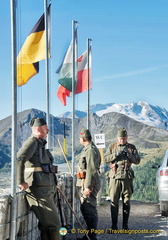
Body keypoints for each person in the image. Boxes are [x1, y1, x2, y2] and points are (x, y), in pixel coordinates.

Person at [17, 117, 61, 240]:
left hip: (46, 187)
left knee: (46, 225)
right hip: (38, 188)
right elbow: (20, 159)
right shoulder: (31, 142)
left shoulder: (39, 143)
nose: (48, 130)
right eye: (45, 128)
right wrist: (21, 181)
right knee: (54, 224)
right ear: (38, 129)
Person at [104, 127, 140, 231]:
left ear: (127, 138)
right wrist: (115, 155)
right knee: (114, 201)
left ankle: (125, 226)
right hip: (114, 177)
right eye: (120, 138)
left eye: (123, 138)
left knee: (127, 202)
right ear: (117, 138)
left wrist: (129, 155)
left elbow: (137, 160)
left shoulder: (131, 147)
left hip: (127, 178)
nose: (122, 140)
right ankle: (114, 226)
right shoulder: (112, 147)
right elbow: (105, 159)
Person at [76, 129, 101, 240]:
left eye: (80, 138)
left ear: (83, 138)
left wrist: (87, 187)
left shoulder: (90, 150)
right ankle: (89, 235)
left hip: (89, 183)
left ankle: (92, 237)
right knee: (86, 209)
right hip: (86, 181)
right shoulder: (88, 149)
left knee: (89, 209)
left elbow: (90, 169)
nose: (79, 140)